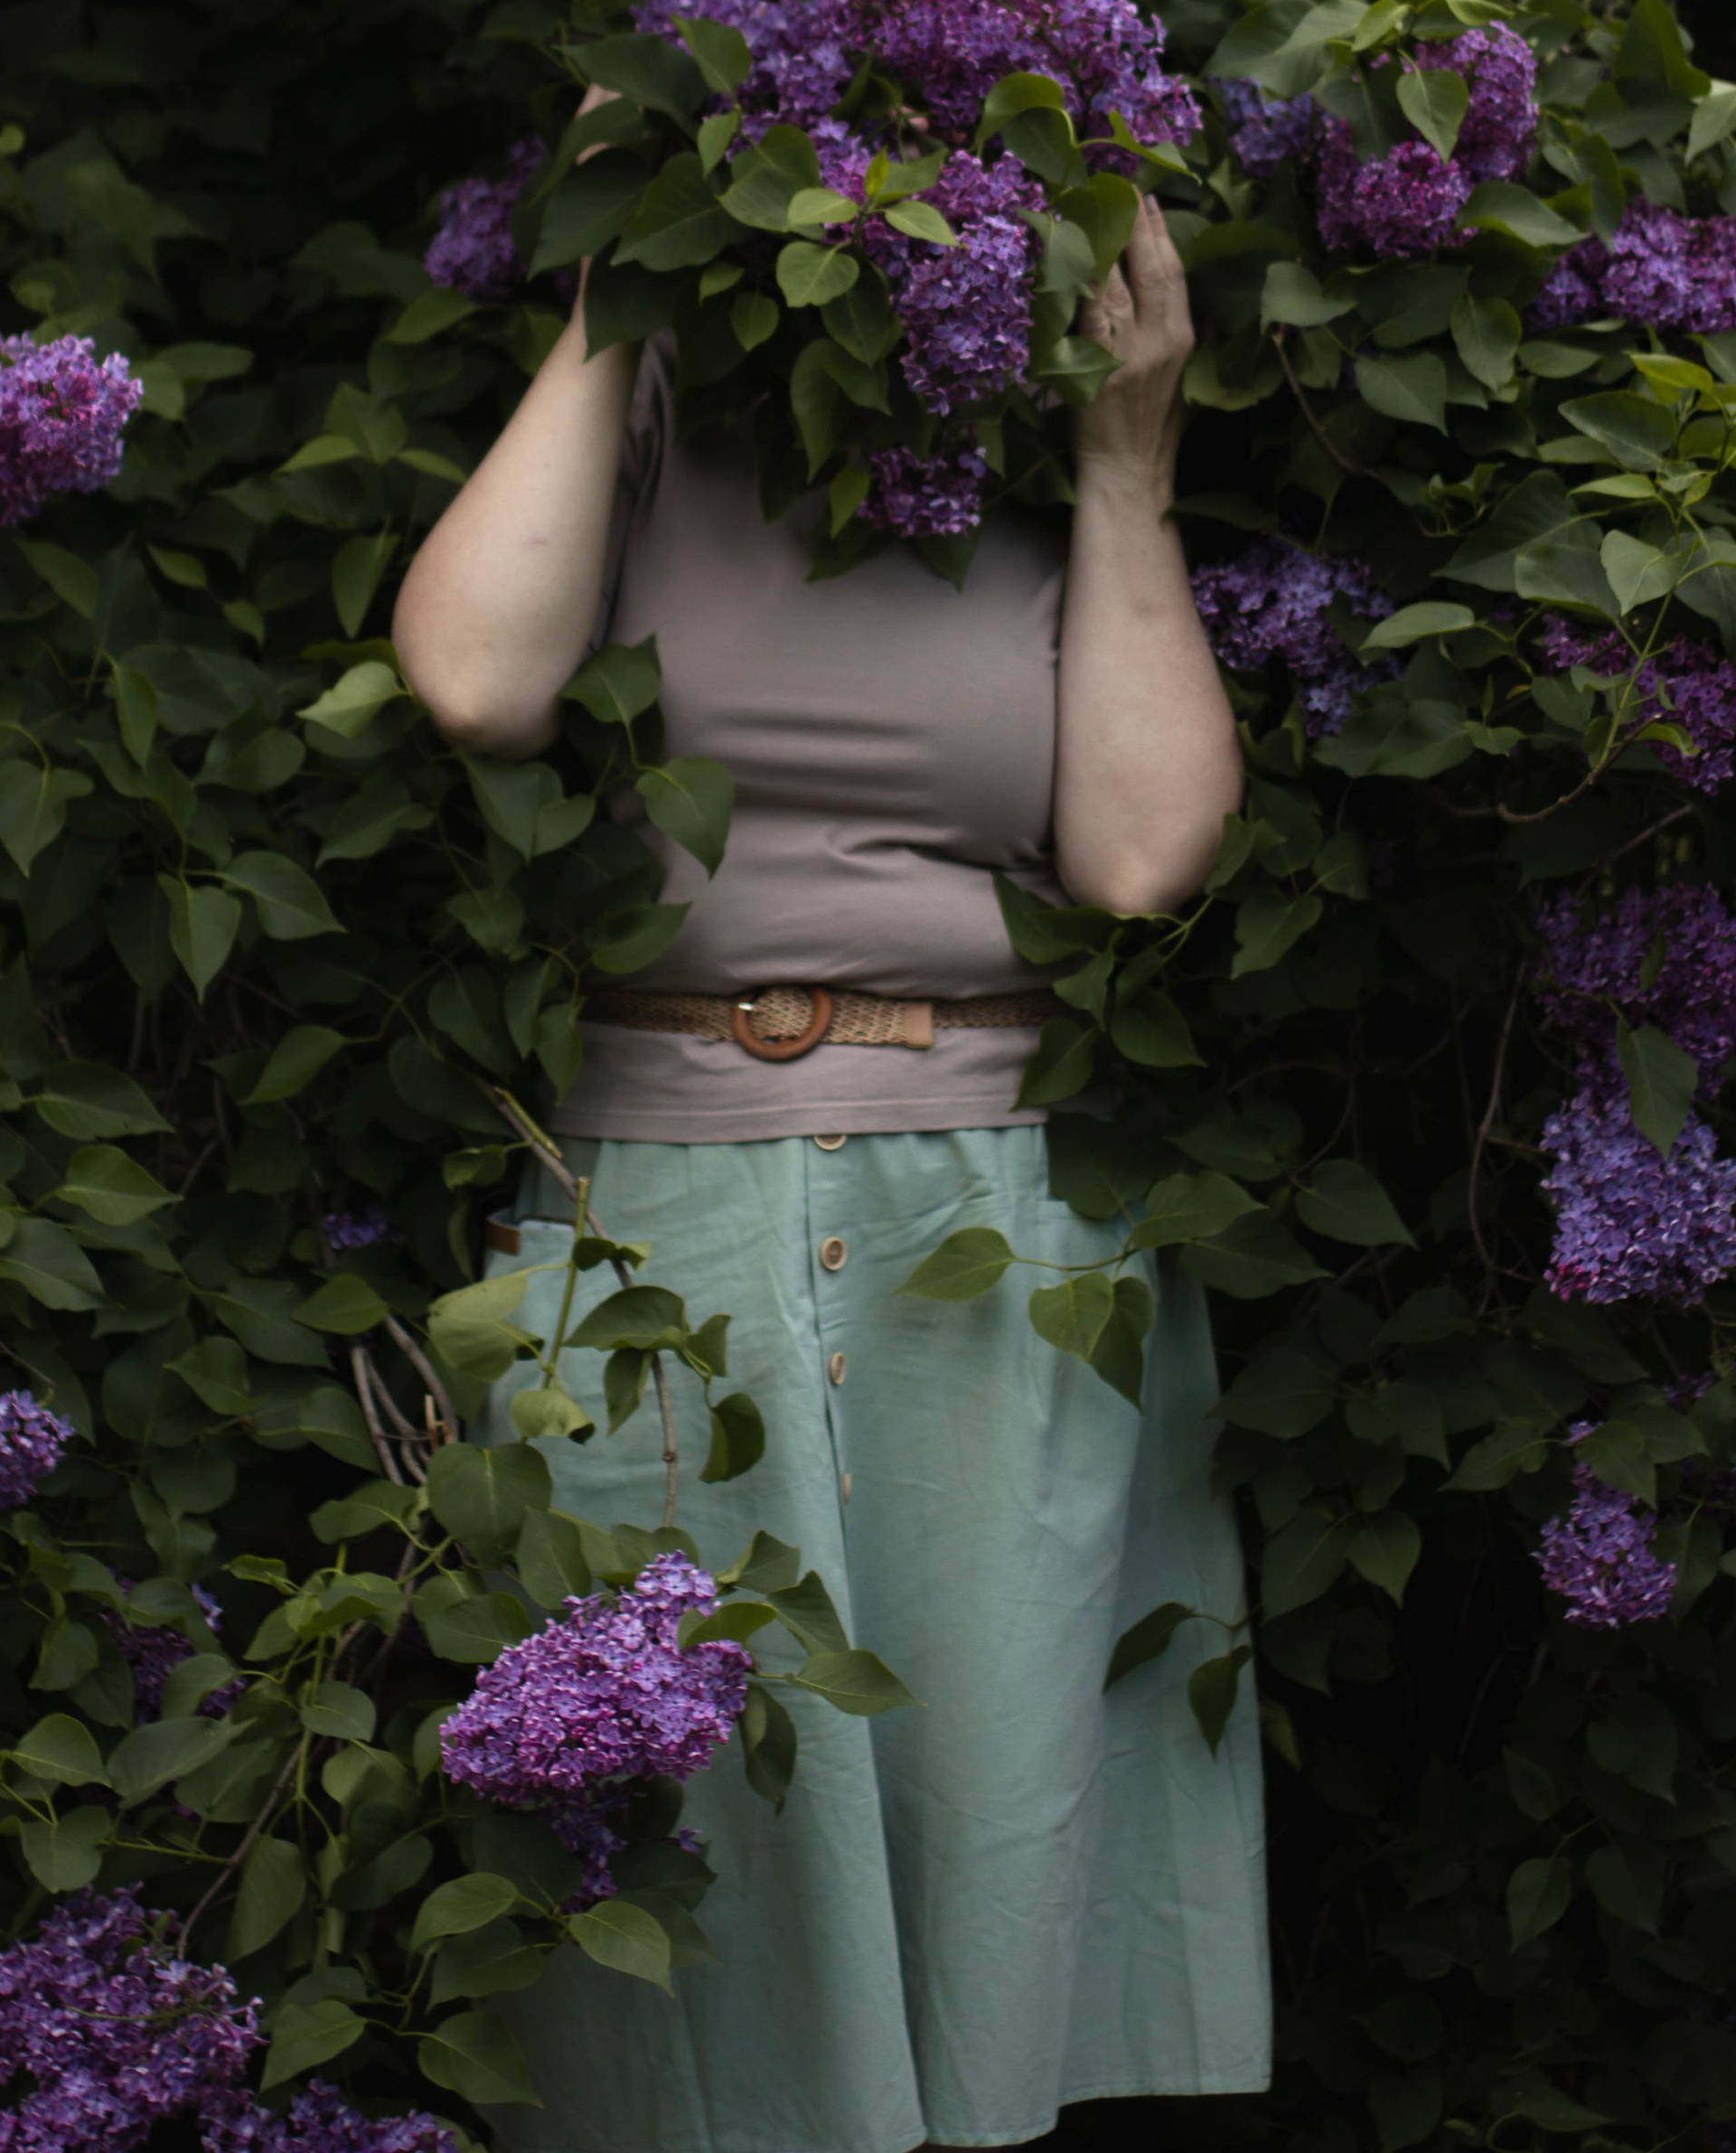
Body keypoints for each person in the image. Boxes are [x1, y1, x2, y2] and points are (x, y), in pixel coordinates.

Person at [393, 171, 1266, 2153]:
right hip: (650, 1219)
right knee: (685, 1871)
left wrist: (1125, 459)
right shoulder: (644, 407)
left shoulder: (1041, 436)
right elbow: (476, 683)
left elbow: (1141, 857)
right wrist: (610, 292)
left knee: (992, 1851)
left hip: (989, 1228)